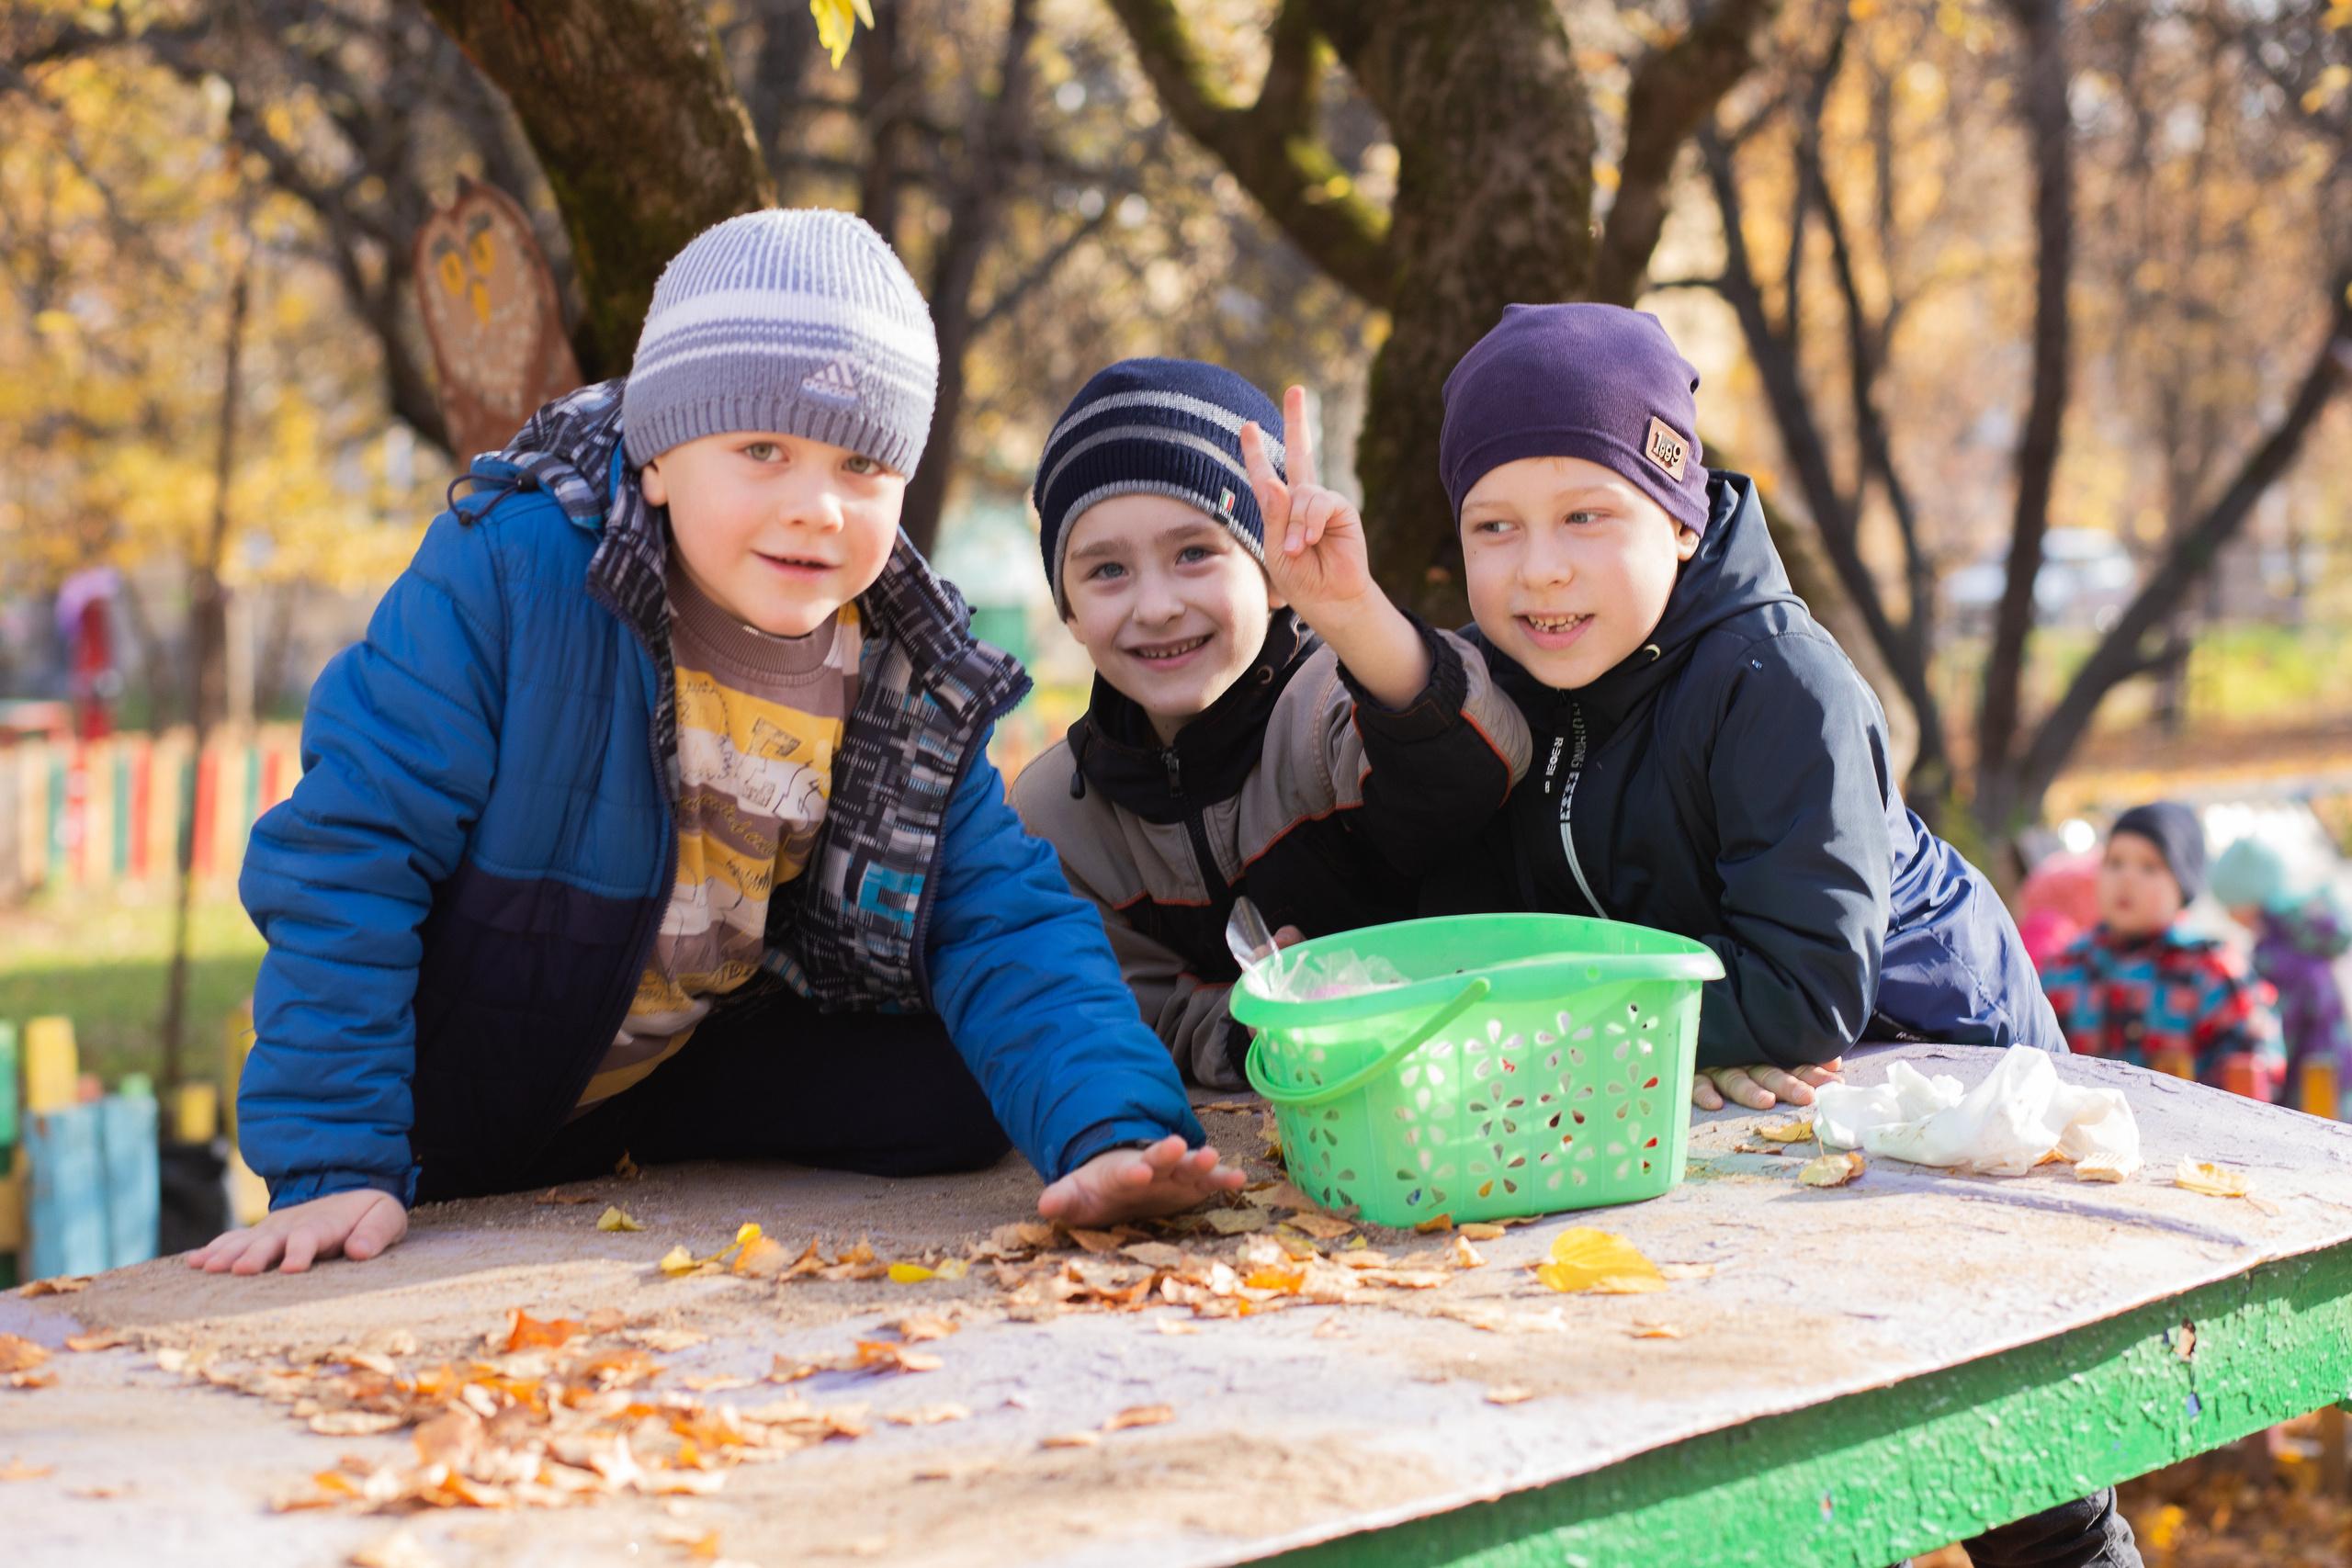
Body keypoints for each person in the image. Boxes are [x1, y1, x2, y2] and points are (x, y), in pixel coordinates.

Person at [194, 209, 1240, 1277]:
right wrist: (333, 1163)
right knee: (422, 1063)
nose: (816, 507)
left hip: (661, 1071)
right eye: (760, 450)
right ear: (656, 458)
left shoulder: (896, 663)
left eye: (862, 465)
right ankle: (398, 1161)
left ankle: (664, 1143)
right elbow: (347, 849)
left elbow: (1001, 915)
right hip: (462, 1085)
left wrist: (1119, 1132)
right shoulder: (514, 574)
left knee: (965, 1084)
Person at [1412, 302, 2125, 1568]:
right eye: (1494, 526)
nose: (1541, 569)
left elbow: (1802, 985)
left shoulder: (1774, 678)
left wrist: (1627, 1035)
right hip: (1756, 1105)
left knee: (2017, 1461)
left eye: (1589, 513)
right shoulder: (1506, 686)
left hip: (1936, 1063)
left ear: (1681, 516)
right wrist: (1675, 1040)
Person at [1010, 360, 1529, 1086]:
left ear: (1275, 577)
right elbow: (1126, 1003)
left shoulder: (1334, 709)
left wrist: (1355, 617)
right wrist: (1252, 1022)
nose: (1156, 605)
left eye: (1195, 553)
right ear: (1066, 609)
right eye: (1107, 571)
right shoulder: (1057, 816)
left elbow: (1476, 772)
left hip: (1457, 1079)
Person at [2039, 805, 2282, 1099]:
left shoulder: (2211, 969)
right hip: (2080, 1137)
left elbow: (2257, 1062)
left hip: (2189, 1138)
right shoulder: (2066, 967)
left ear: (2182, 886)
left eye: (2149, 867)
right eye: (2115, 863)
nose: (2127, 878)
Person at [2211, 832, 2351, 1113]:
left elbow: (2277, 1032)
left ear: (2245, 898)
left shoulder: (2274, 956)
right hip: (2335, 1070)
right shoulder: (2302, 935)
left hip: (2304, 1084)